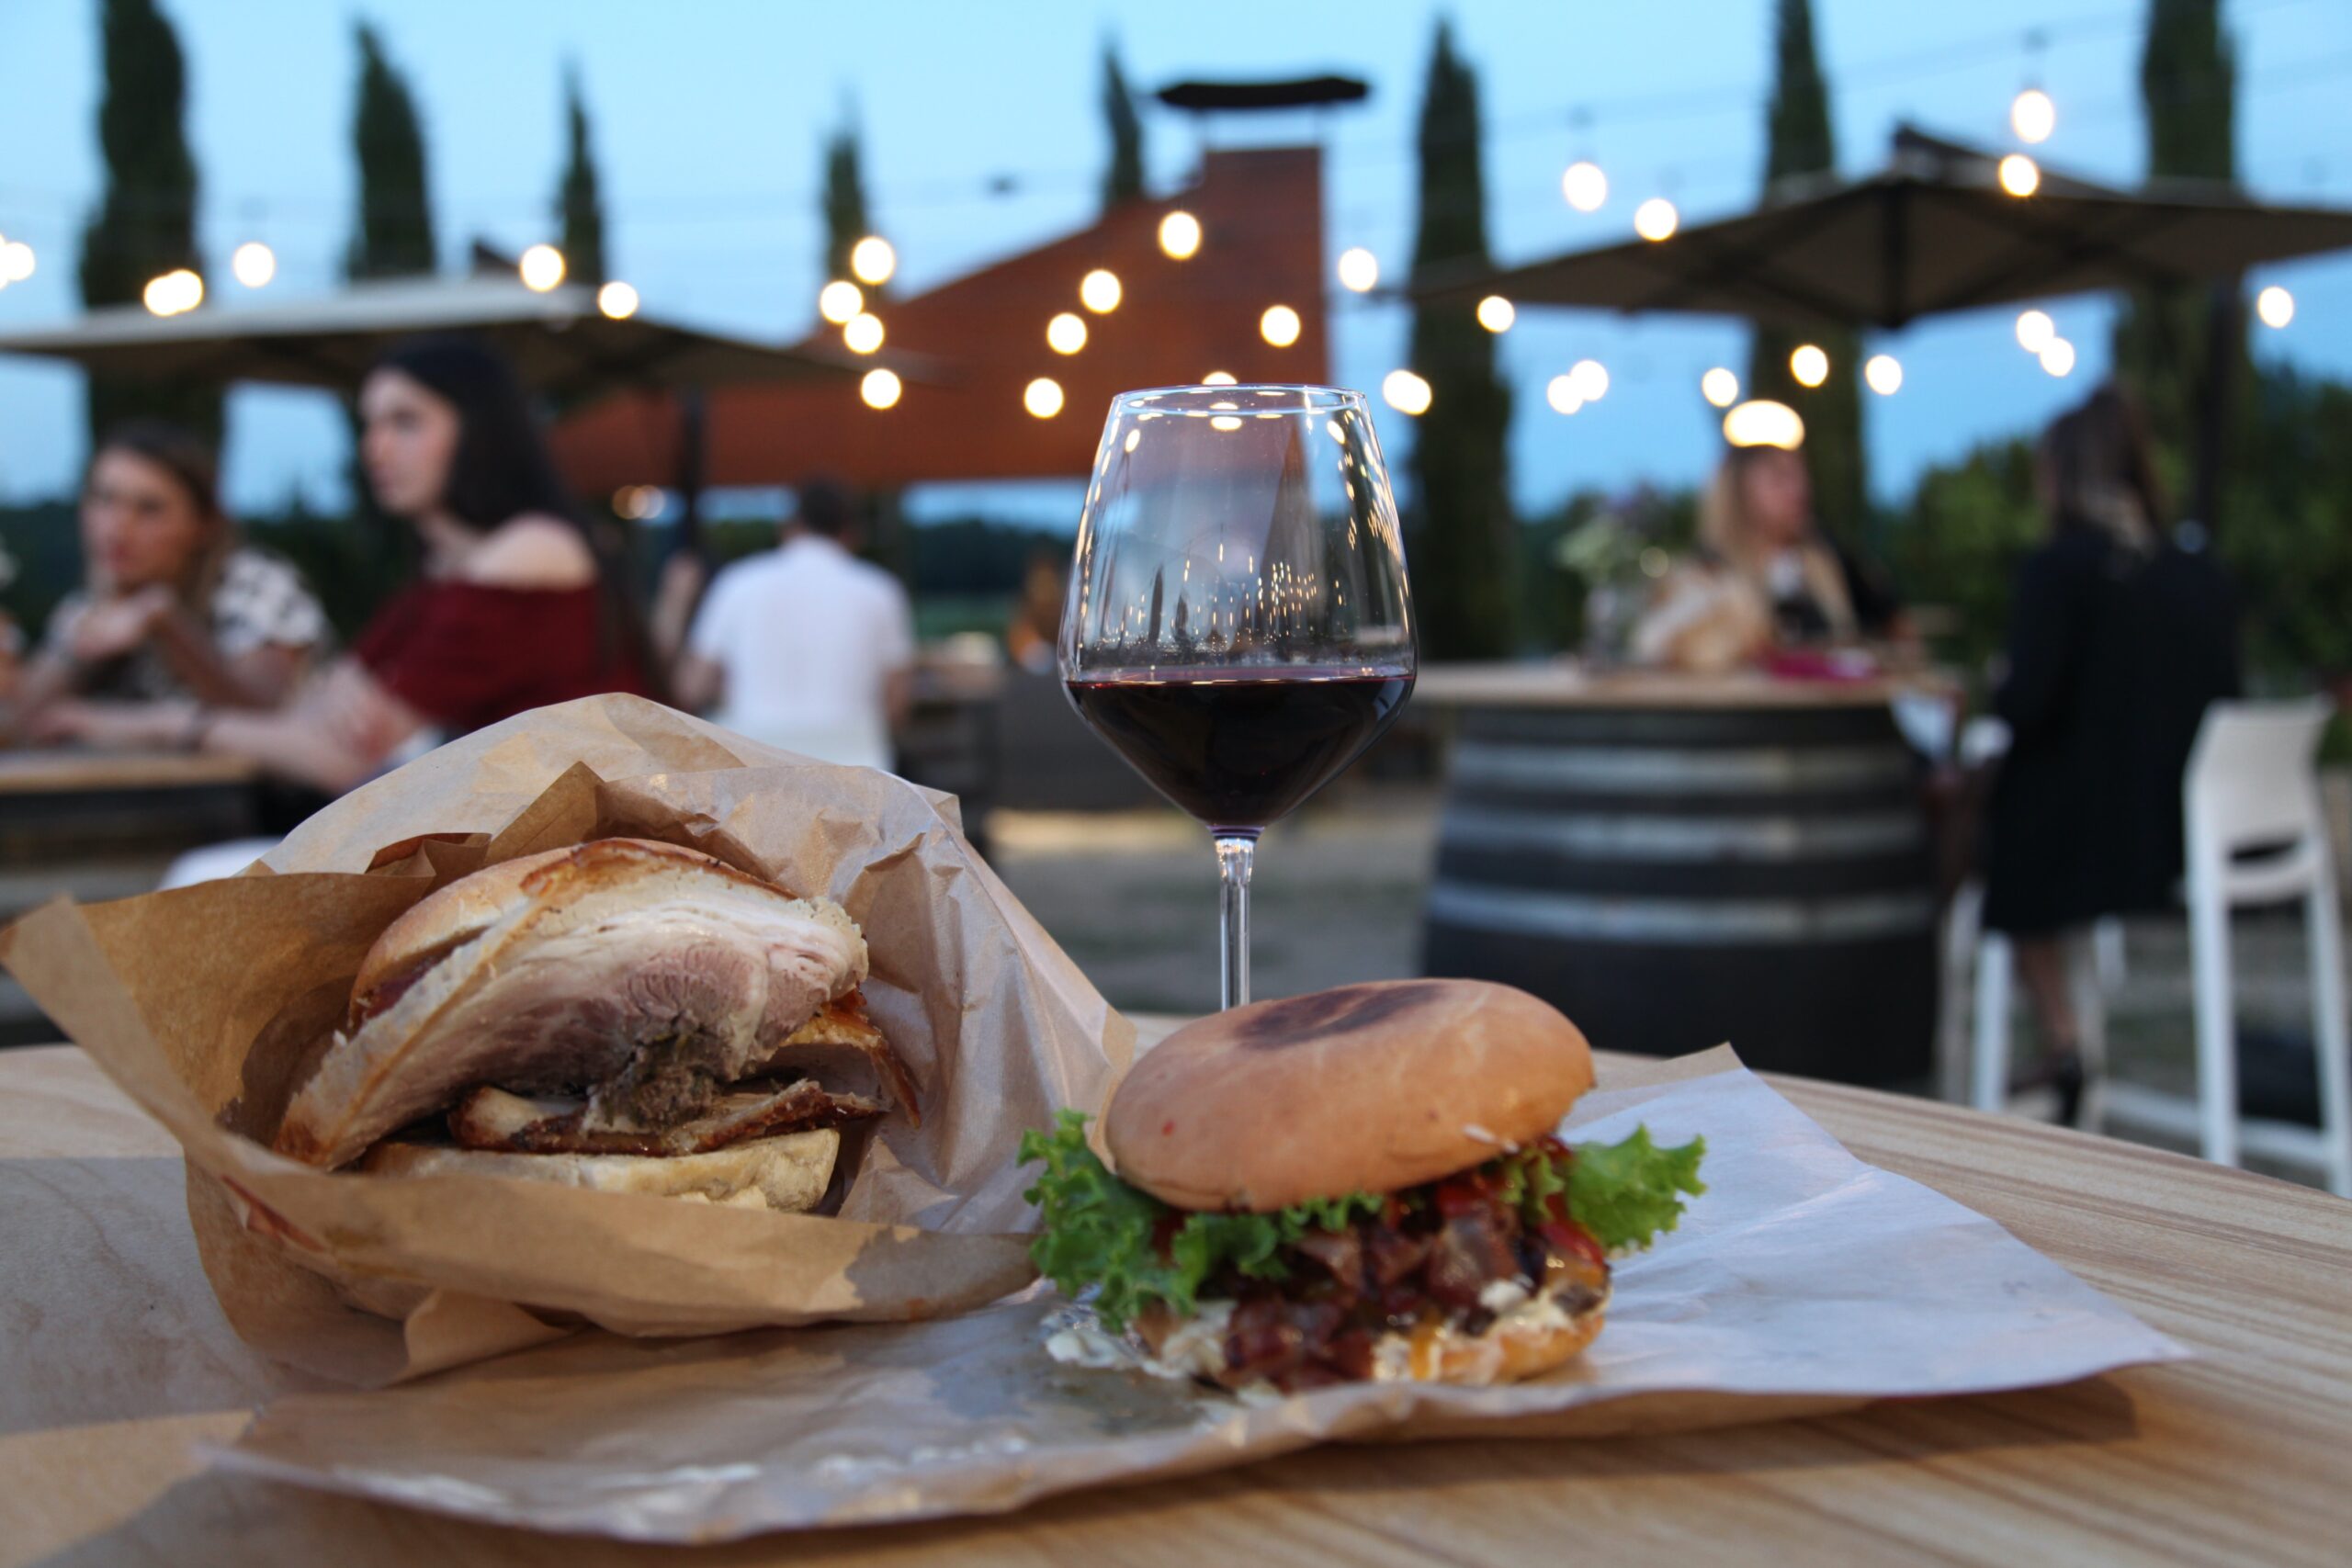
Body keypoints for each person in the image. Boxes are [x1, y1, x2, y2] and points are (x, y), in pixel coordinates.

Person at [34, 337, 650, 795]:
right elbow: (321, 715)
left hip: (586, 851)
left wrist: (166, 725)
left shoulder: (532, 550)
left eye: (405, 421)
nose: (375, 447)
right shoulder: (443, 575)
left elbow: (345, 756)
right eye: (370, 423)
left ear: (480, 430)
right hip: (513, 839)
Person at [1980, 385, 2241, 1120]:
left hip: (2096, 843)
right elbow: (2227, 693)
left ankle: (2064, 1039)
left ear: (2061, 473)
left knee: (2006, 831)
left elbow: (2024, 706)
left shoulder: (2059, 569)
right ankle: (2068, 1048)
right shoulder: (2198, 571)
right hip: (2190, 832)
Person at [11, 422, 325, 734]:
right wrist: (85, 647)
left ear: (204, 524)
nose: (118, 529)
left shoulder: (254, 584)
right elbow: (19, 723)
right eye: (104, 499)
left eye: (149, 509)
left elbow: (264, 712)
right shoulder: (89, 604)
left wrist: (164, 621)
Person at [673, 479, 915, 771]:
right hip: (854, 771)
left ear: (789, 526)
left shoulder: (737, 582)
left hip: (751, 770)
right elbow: (898, 700)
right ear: (852, 533)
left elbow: (693, 686)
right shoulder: (880, 590)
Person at [1633, 441, 1902, 671]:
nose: (1799, 491)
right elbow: (1652, 648)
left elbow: (1891, 627)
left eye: (1800, 477)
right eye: (1780, 479)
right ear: (1737, 494)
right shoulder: (1704, 577)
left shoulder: (1827, 563)